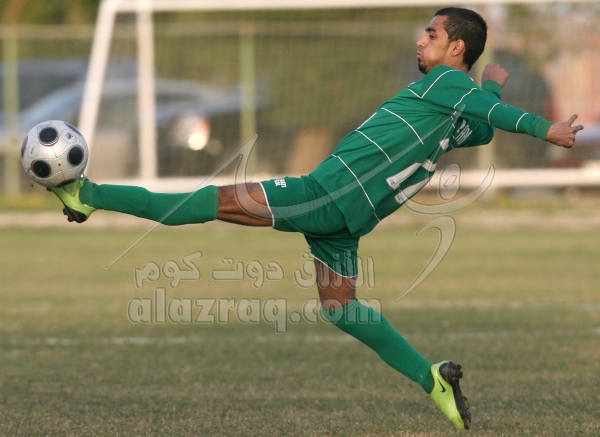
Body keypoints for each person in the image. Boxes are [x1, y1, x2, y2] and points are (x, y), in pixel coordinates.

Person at [49, 7, 583, 430]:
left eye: (431, 34)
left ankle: (87, 193)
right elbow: (485, 124)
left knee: (206, 201)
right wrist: (492, 85)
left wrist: (547, 129)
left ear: (456, 48)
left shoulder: (445, 83)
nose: (420, 41)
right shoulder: (453, 103)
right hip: (350, 216)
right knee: (341, 307)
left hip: (326, 194)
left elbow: (497, 116)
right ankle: (432, 379)